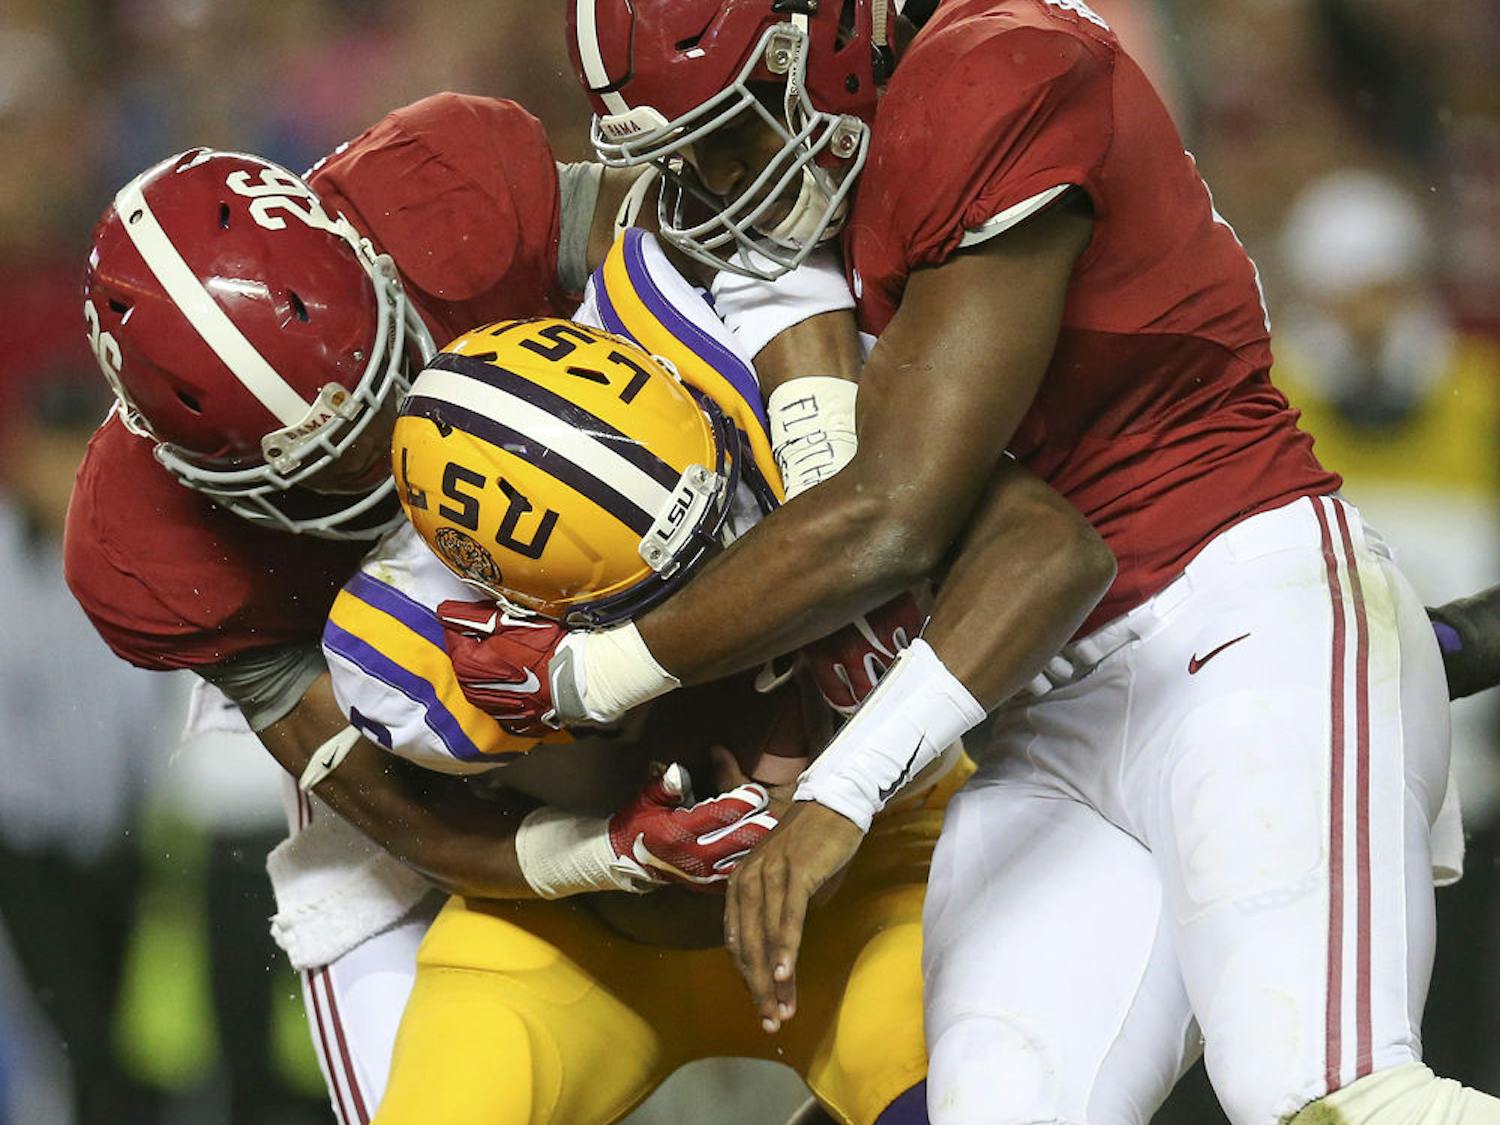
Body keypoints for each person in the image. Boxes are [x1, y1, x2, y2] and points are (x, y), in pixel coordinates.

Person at [440, 2, 1500, 1122]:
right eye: (685, 145)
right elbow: (839, 482)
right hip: (1039, 710)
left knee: (1327, 1098)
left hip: (1232, 618)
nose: (712, 175)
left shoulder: (997, 69)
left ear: (830, 38)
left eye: (734, 127)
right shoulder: (806, 189)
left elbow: (898, 513)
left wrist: (600, 673)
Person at [65, 95, 852, 1122]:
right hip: (410, 710)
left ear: (375, 267)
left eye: (392, 377)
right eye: (329, 462)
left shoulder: (441, 194)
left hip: (640, 535)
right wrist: (596, 851)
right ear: (202, 478)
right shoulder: (148, 549)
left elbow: (721, 256)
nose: (392, 446)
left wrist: (820, 489)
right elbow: (400, 816)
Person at [322, 230, 948, 1124]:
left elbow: (1020, 570)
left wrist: (860, 600)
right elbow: (436, 831)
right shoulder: (417, 652)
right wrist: (605, 842)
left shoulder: (744, 349)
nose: (721, 577)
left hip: (866, 878)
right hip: (586, 943)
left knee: (983, 1091)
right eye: (663, 587)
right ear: (530, 603)